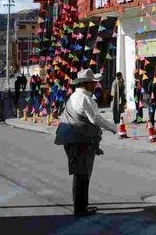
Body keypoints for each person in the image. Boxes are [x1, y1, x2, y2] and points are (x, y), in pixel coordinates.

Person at [54, 68, 116, 217]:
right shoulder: (85, 99)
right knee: (82, 174)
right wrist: (113, 128)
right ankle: (80, 208)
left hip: (72, 139)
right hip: (79, 140)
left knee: (81, 173)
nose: (95, 85)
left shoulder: (74, 96)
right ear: (86, 84)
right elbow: (95, 119)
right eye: (93, 83)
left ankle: (82, 206)